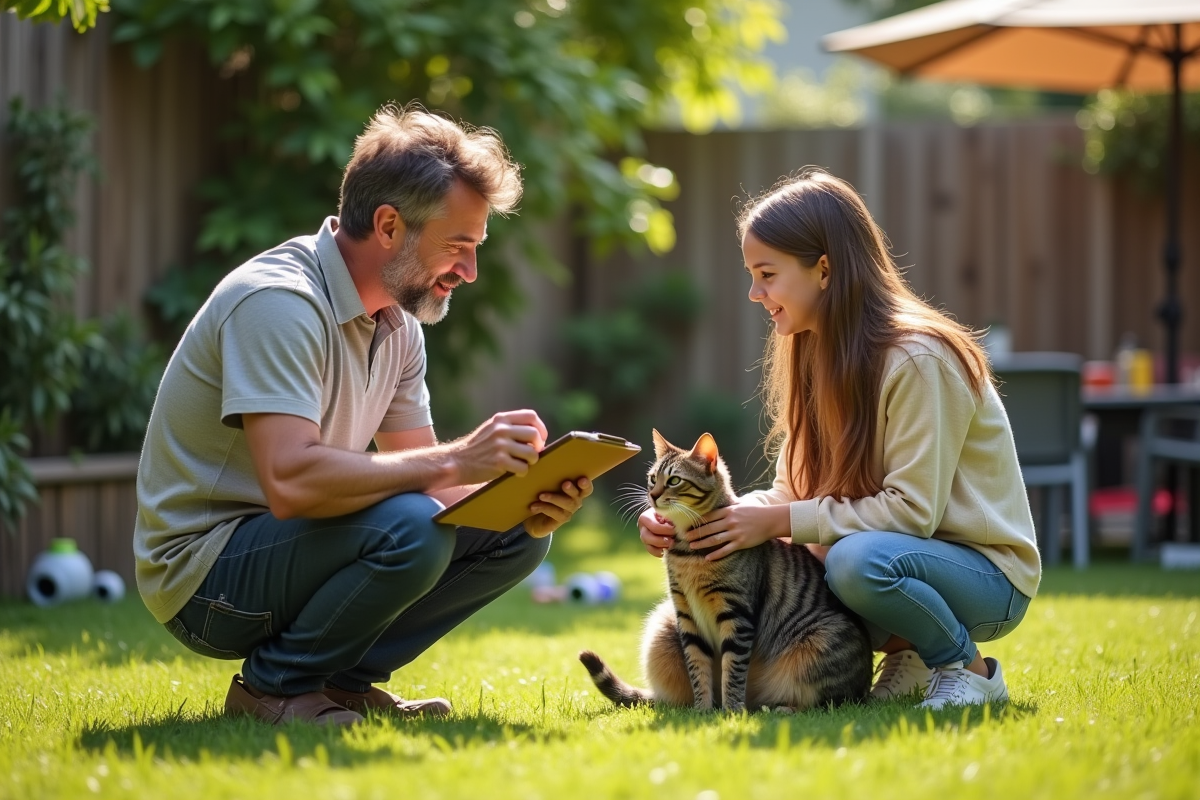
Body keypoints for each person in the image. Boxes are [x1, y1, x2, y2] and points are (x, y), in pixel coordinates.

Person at [134, 104, 592, 727]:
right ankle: (273, 690)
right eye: (458, 245)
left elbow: (439, 483)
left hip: (291, 545)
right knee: (413, 526)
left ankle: (343, 685)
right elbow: (291, 482)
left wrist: (526, 499)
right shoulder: (279, 303)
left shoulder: (398, 324)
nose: (470, 270)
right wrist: (460, 455)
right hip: (205, 579)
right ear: (388, 225)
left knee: (517, 535)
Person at [637, 168, 1039, 710]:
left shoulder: (919, 360)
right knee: (800, 578)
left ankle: (970, 670)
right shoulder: (814, 355)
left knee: (852, 562)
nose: (755, 293)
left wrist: (778, 521)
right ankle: (911, 649)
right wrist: (705, 520)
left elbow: (914, 512)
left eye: (767, 274)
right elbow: (787, 494)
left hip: (986, 577)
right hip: (896, 560)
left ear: (823, 269)